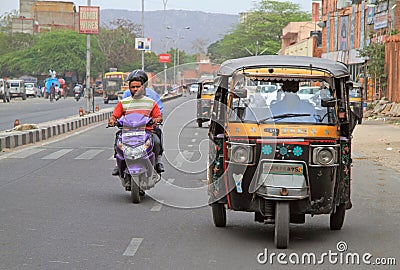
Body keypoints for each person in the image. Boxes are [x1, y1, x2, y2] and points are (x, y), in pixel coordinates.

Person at [109, 70, 164, 174]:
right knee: (118, 140)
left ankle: (157, 162)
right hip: (128, 131)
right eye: (133, 87)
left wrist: (157, 119)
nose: (135, 89)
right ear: (129, 88)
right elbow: (115, 115)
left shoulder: (151, 101)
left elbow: (158, 115)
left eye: (138, 87)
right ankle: (118, 163)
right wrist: (112, 120)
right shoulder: (124, 102)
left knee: (156, 141)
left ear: (143, 86)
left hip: (146, 131)